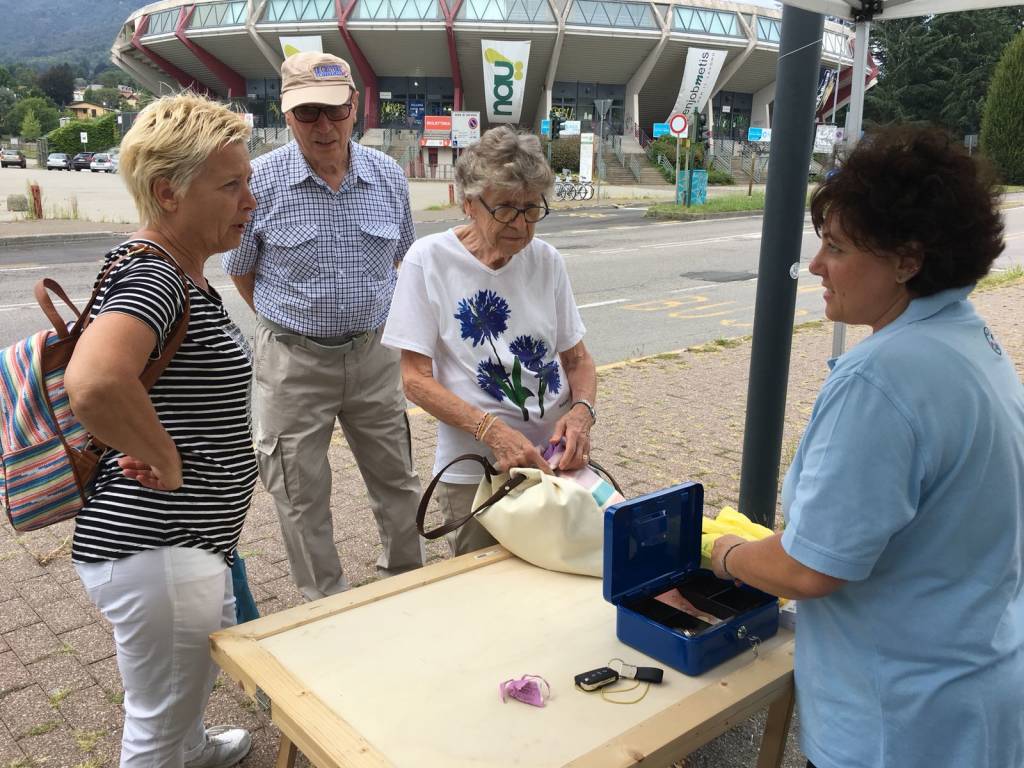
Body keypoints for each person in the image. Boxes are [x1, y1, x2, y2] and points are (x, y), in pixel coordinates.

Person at [709, 125, 1024, 768]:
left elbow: (809, 569)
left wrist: (724, 553)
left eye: (836, 247)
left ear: (907, 260)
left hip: (898, 722)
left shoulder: (881, 379)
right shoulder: (970, 342)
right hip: (973, 691)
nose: (817, 265)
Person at [65, 93, 259, 767]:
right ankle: (175, 749)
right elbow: (94, 382)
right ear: (167, 193)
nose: (249, 201)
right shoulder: (155, 276)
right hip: (158, 546)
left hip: (180, 542)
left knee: (184, 682)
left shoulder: (175, 272)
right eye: (230, 185)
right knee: (153, 722)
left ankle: (193, 746)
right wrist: (167, 462)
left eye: (249, 182)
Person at [223, 52, 424, 601]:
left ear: (354, 108)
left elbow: (403, 261)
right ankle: (326, 604)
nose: (323, 126)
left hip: (373, 355)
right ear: (286, 115)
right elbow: (242, 273)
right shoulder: (257, 183)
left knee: (398, 481)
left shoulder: (386, 176)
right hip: (292, 361)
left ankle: (406, 585)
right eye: (307, 112)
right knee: (299, 493)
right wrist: (291, 322)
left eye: (334, 111)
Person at [382, 126, 598, 555]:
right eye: (505, 209)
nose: (520, 223)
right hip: (478, 470)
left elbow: (578, 361)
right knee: (484, 593)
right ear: (467, 203)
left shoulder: (546, 260)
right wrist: (493, 432)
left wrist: (580, 415)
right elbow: (415, 380)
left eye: (531, 208)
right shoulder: (429, 261)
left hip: (555, 464)